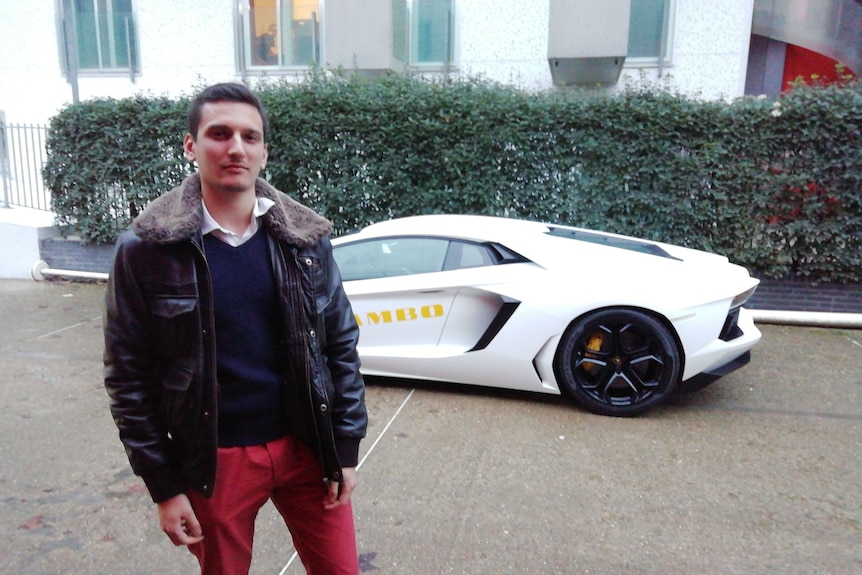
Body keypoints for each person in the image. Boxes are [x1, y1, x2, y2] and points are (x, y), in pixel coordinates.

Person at [103, 82, 367, 575]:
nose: (236, 148)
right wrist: (163, 484)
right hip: (214, 463)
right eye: (219, 134)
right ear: (191, 146)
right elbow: (128, 376)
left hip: (307, 449)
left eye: (250, 136)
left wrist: (345, 447)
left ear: (264, 151)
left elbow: (340, 346)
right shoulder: (146, 251)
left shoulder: (304, 241)